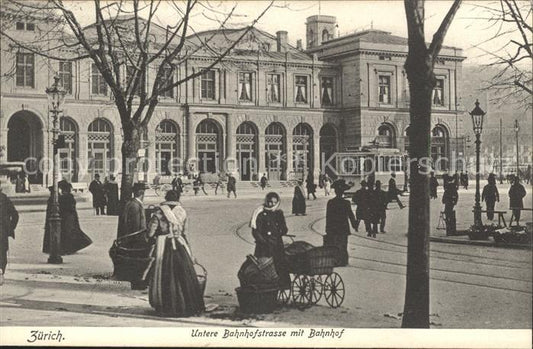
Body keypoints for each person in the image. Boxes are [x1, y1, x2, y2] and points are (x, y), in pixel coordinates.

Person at [146, 190, 205, 317]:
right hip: (179, 244)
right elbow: (185, 233)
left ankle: (167, 305)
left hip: (163, 244)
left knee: (163, 274)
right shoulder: (182, 212)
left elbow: (150, 233)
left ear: (166, 198)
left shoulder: (159, 212)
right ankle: (186, 305)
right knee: (184, 274)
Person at [250, 192, 290, 289]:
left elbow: (284, 228)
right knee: (263, 267)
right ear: (266, 201)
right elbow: (255, 231)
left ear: (277, 202)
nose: (271, 204)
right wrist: (263, 241)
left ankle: (282, 284)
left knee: (280, 264)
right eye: (269, 202)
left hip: (277, 245)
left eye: (274, 202)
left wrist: (280, 232)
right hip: (263, 246)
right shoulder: (259, 213)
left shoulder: (278, 213)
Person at [44, 180, 92, 255]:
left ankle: (67, 248)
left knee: (68, 233)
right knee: (70, 233)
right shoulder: (66, 197)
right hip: (70, 217)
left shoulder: (63, 197)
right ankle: (68, 248)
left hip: (68, 218)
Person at [117, 182, 148, 289]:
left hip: (133, 239)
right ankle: (137, 283)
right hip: (136, 239)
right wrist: (141, 238)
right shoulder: (135, 206)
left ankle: (137, 282)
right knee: (137, 262)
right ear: (141, 193)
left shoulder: (131, 203)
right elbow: (136, 225)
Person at [325, 180, 357, 266]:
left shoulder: (331, 203)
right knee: (343, 244)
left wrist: (327, 229)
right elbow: (350, 215)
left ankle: (335, 260)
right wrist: (354, 225)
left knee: (334, 244)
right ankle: (343, 261)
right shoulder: (346, 203)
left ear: (335, 192)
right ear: (343, 192)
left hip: (333, 227)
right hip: (343, 227)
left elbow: (328, 217)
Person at [0, 184, 19, 285]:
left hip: (2, 232)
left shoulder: (5, 199)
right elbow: (15, 215)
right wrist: (10, 228)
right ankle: (1, 272)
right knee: (2, 253)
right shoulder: (5, 199)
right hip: (2, 233)